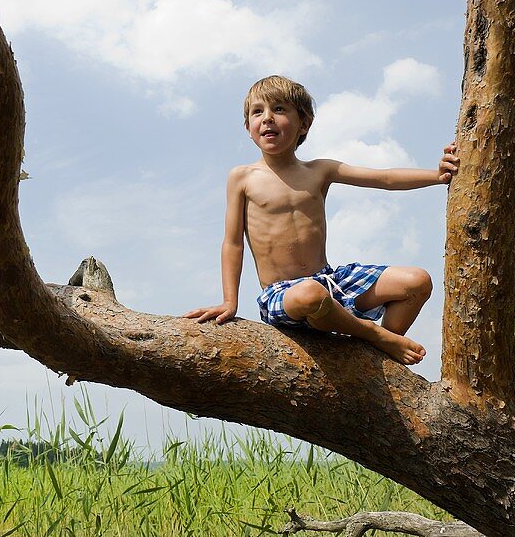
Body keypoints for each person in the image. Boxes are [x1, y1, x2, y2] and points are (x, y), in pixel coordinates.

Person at [184, 75, 459, 365]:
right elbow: (232, 243)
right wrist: (230, 300)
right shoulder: (242, 177)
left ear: (304, 123)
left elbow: (385, 177)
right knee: (309, 294)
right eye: (257, 112)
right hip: (285, 297)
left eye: (279, 110)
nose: (267, 119)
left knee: (417, 281)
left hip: (330, 281)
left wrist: (437, 175)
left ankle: (375, 359)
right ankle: (375, 336)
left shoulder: (320, 171)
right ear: (248, 128)